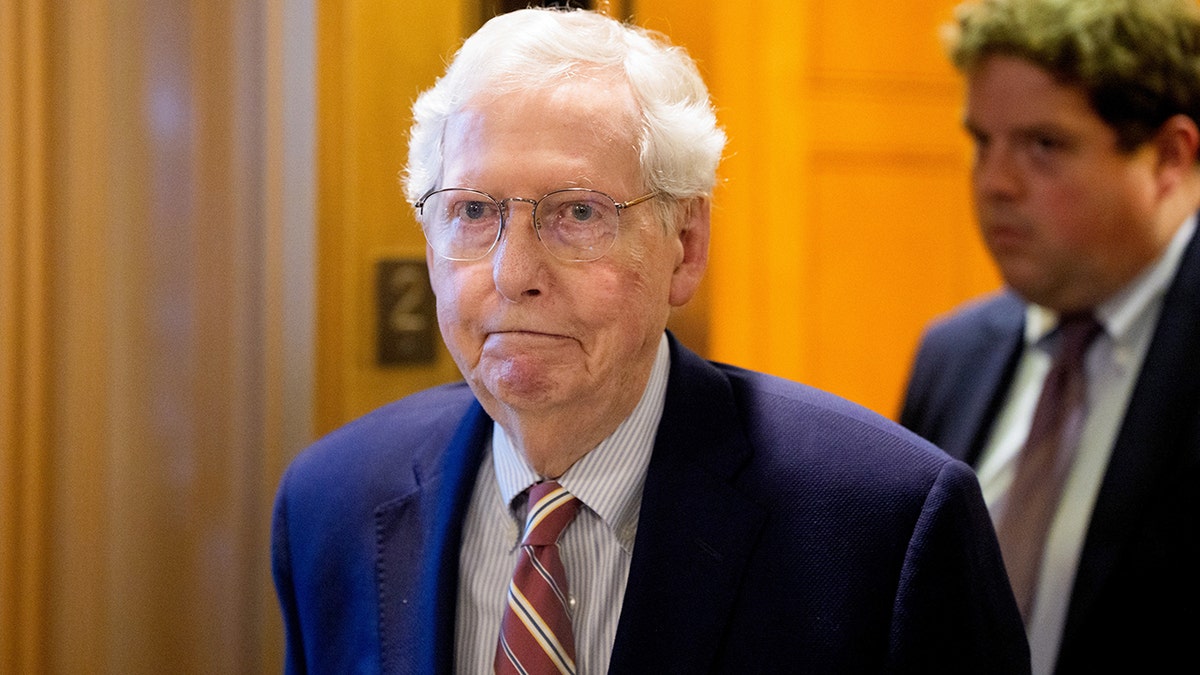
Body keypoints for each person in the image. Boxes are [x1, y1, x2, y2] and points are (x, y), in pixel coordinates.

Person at [273, 7, 1028, 673]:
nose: (513, 273)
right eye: (472, 210)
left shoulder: (883, 528)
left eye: (577, 213)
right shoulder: (330, 504)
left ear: (686, 243)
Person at [899, 0, 1200, 673]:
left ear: (1170, 157)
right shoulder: (953, 354)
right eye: (982, 142)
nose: (995, 183)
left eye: (1044, 146)